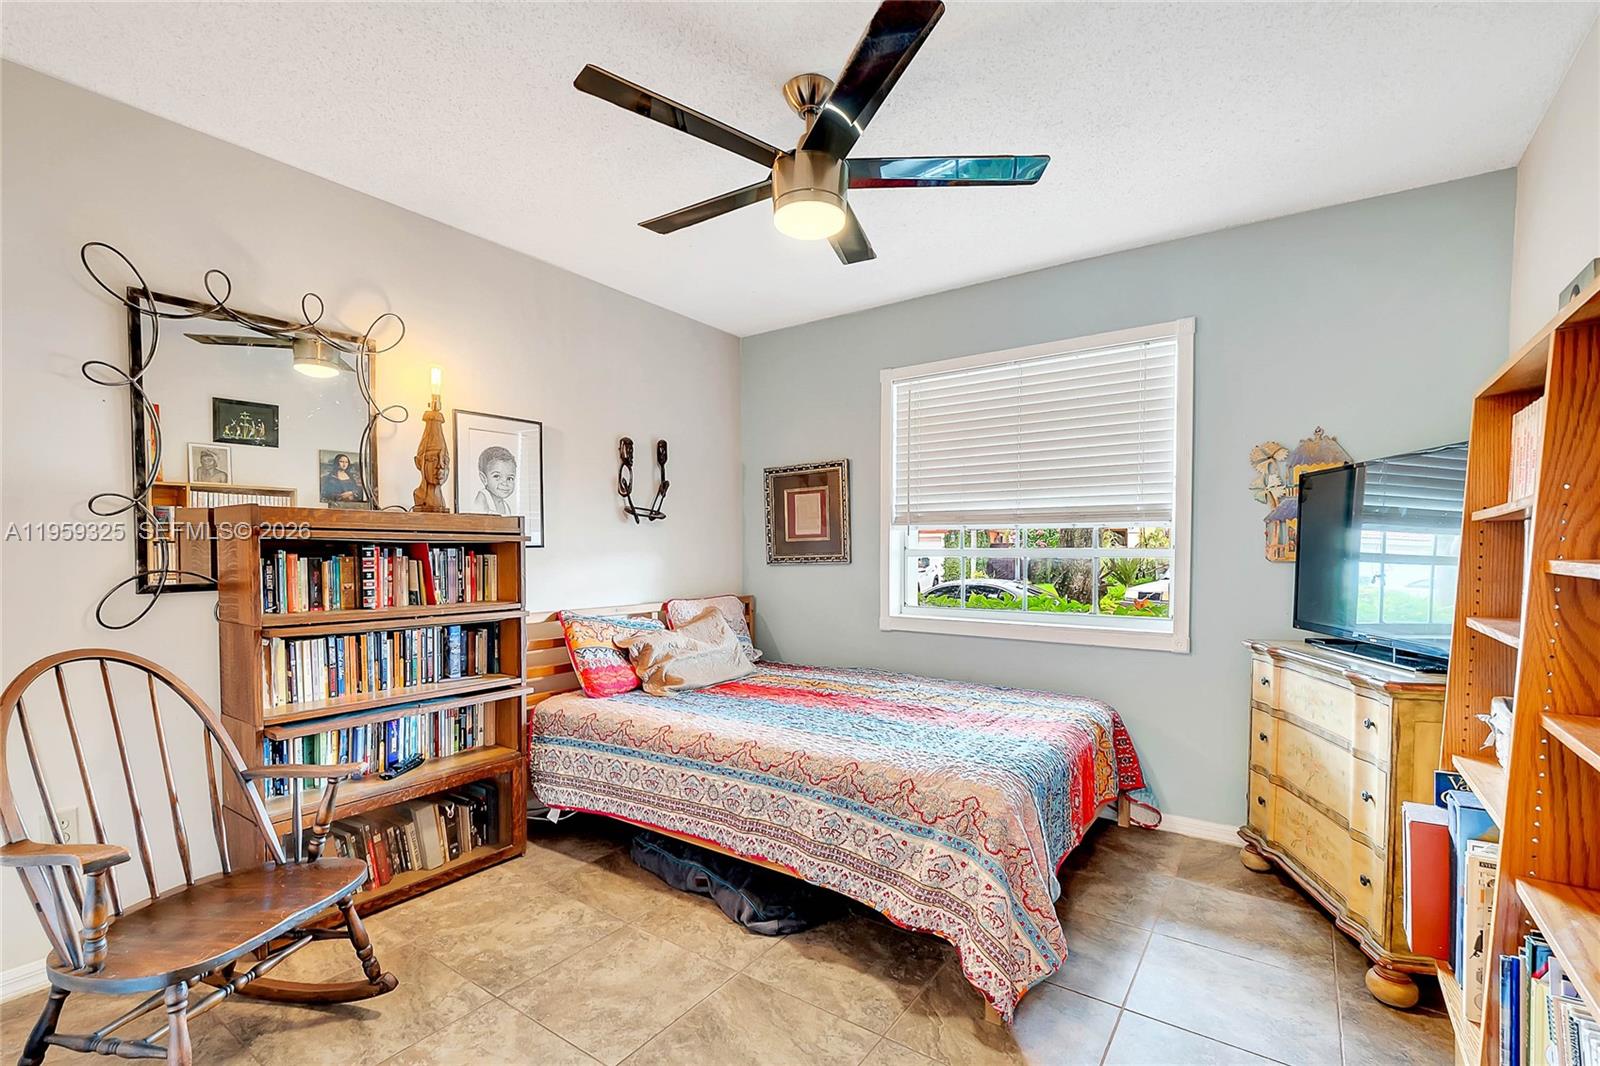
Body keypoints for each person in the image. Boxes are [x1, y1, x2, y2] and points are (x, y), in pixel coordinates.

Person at [472, 446, 516, 515]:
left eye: (509, 478)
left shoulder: (506, 506)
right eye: (497, 476)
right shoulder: (483, 498)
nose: (505, 483)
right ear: (484, 478)